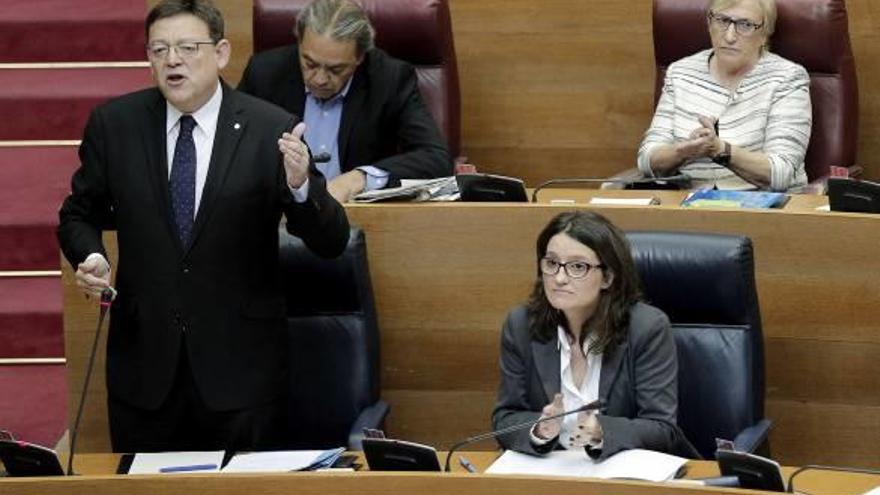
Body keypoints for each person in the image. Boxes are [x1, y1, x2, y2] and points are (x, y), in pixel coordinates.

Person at [57, 0, 350, 452]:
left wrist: (299, 188)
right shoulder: (115, 126)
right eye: (159, 49)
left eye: (188, 47)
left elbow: (330, 241)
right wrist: (91, 255)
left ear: (221, 53)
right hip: (144, 373)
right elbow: (78, 213)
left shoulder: (270, 128)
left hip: (242, 377)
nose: (172, 60)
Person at [492, 211, 692, 460]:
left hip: (619, 471)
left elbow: (661, 428)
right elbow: (506, 416)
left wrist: (602, 432)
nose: (560, 278)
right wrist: (539, 430)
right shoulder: (521, 324)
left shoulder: (646, 328)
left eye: (578, 266)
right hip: (550, 472)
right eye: (552, 263)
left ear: (608, 277)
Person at [237, 0, 452, 203]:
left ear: (359, 57)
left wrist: (359, 179)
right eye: (309, 63)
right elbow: (229, 147)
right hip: (278, 214)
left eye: (335, 69)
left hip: (357, 219)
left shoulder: (389, 80)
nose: (320, 79)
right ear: (300, 43)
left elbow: (436, 158)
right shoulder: (264, 73)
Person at [637, 0, 811, 191]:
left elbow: (780, 172)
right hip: (685, 207)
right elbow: (647, 159)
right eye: (722, 20)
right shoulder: (680, 73)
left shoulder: (787, 78)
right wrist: (683, 151)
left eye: (745, 25)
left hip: (765, 210)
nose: (729, 36)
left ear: (764, 35)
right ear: (709, 24)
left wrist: (720, 150)